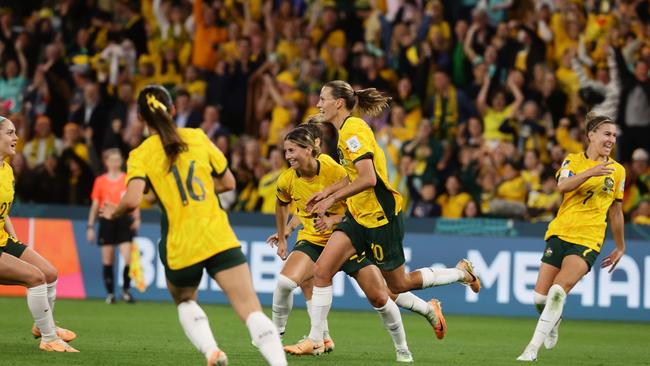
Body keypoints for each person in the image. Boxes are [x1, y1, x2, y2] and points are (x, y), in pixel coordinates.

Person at [99, 85, 286, 366]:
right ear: (173, 110)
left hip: (180, 244)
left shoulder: (141, 154)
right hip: (217, 235)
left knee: (186, 300)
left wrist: (116, 211)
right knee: (251, 309)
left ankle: (212, 351)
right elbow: (228, 183)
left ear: (140, 117)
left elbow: (134, 199)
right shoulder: (198, 137)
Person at [303, 80, 481, 351]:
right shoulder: (345, 131)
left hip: (380, 217)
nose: (318, 104)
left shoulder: (354, 130)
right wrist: (327, 192)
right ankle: (316, 340)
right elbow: (352, 175)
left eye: (322, 98)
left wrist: (332, 198)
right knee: (322, 270)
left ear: (339, 102)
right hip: (358, 216)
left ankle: (460, 273)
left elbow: (368, 178)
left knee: (399, 284)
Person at [270, 124, 445, 362]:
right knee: (291, 281)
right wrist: (286, 232)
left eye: (292, 150)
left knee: (383, 296)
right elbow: (300, 207)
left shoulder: (333, 170)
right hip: (314, 241)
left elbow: (356, 207)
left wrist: (333, 220)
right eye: (286, 151)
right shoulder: (288, 179)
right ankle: (299, 338)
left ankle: (406, 345)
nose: (288, 156)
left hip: (348, 237)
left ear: (310, 149)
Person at [516, 113, 627, 362]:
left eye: (614, 135)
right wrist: (591, 172)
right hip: (560, 232)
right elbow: (562, 187)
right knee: (539, 299)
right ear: (591, 135)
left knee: (557, 291)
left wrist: (620, 246)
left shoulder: (618, 171)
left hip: (589, 238)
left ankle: (531, 349)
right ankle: (555, 319)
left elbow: (616, 211)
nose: (611, 139)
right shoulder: (573, 161)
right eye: (607, 134)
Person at [0, 115, 78, 352]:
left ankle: (43, 325)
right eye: (10, 132)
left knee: (50, 273)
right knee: (35, 278)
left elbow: (4, 213)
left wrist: (14, 239)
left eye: (15, 132)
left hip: (3, 240)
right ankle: (49, 338)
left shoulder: (7, 170)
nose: (16, 137)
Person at [87, 148, 139, 304]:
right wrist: (90, 226)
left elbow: (133, 199)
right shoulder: (100, 181)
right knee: (108, 260)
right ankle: (110, 293)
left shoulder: (126, 178)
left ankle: (126, 290)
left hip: (123, 219)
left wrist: (137, 218)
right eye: (113, 160)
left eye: (118, 160)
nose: (116, 163)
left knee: (127, 257)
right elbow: (96, 205)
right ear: (107, 162)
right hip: (106, 221)